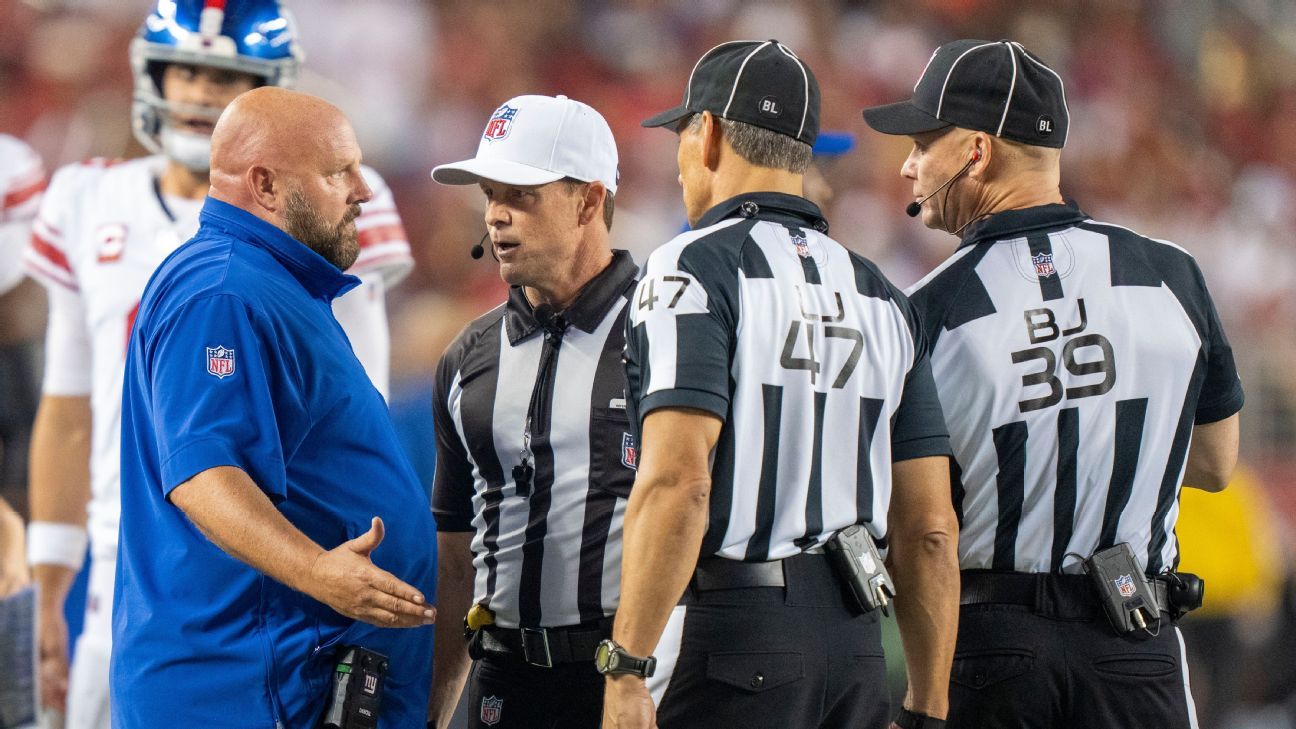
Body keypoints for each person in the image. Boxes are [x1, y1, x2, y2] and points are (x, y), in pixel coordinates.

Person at [21, 2, 414, 727]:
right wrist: (50, 589)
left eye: (227, 78)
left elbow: (358, 413)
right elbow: (69, 411)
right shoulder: (87, 199)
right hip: (125, 557)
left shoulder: (329, 202)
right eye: (188, 71)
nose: (202, 94)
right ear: (153, 74)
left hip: (268, 568)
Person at [863, 38, 1244, 729]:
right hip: (1137, 636)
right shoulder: (1172, 274)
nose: (908, 165)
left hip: (993, 648)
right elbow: (1215, 464)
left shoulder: (924, 309)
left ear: (976, 152)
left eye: (924, 142)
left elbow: (918, 519)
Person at [603, 40, 960, 729]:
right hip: (855, 642)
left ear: (705, 134)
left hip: (734, 639)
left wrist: (626, 664)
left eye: (683, 135)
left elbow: (681, 480)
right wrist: (928, 706)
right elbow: (930, 529)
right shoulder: (882, 294)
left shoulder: (691, 267)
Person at [112, 86, 435, 728]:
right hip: (243, 686)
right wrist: (316, 570)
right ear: (264, 184)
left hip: (271, 678)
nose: (362, 190)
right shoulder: (224, 292)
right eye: (337, 171)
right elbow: (203, 474)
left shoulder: (268, 285)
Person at [426, 94, 636, 729]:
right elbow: (456, 555)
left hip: (627, 675)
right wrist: (434, 714)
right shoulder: (467, 356)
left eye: (521, 194)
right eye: (490, 194)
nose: (495, 216)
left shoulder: (671, 330)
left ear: (589, 200)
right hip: (503, 679)